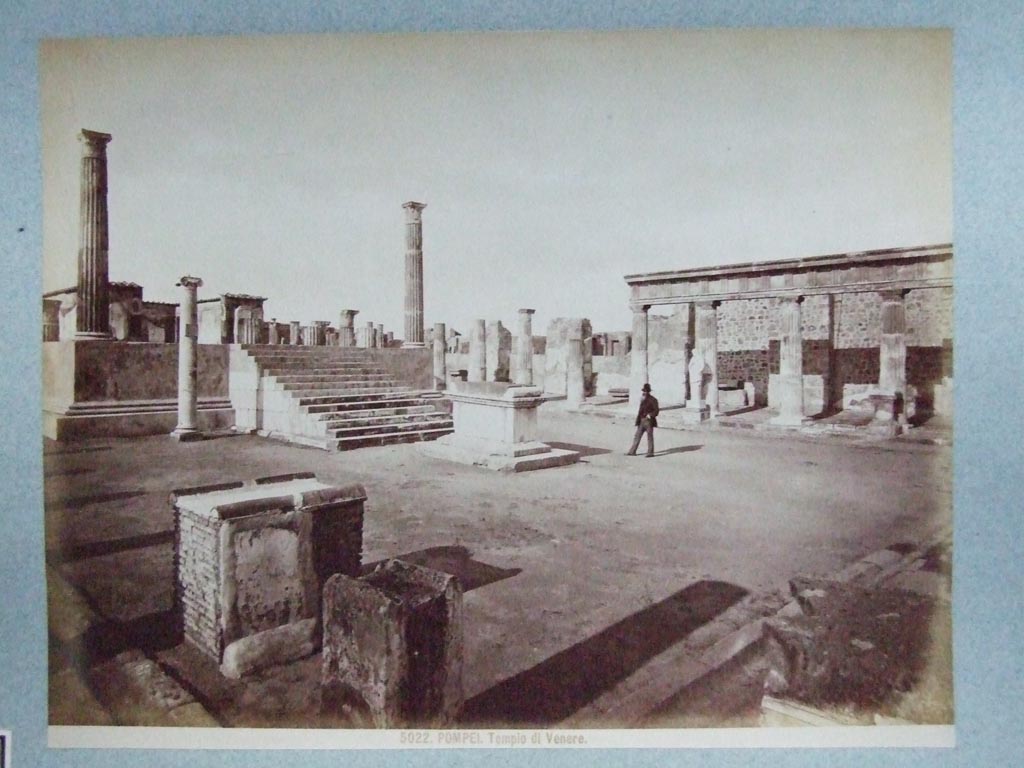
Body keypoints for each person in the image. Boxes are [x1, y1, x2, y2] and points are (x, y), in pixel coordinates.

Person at [626, 383, 659, 457]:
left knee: (649, 437)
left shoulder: (653, 400)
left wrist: (650, 415)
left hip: (649, 421)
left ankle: (650, 453)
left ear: (648, 392)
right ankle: (632, 451)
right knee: (637, 436)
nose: (644, 392)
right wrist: (638, 420)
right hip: (641, 421)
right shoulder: (642, 399)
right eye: (643, 391)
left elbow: (656, 411)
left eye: (646, 391)